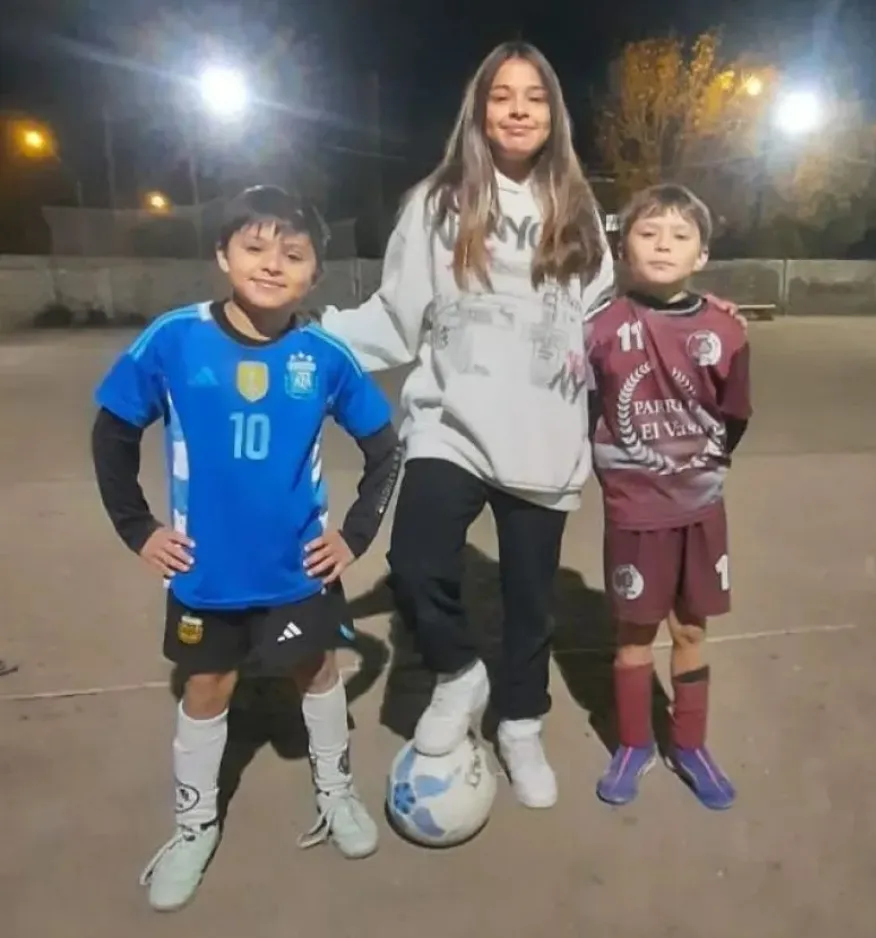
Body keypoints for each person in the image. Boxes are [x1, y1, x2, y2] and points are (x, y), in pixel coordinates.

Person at [320, 41, 615, 809]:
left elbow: (604, 320)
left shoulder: (577, 207)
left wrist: (678, 321)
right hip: (450, 420)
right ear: (478, 111)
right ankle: (458, 672)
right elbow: (396, 313)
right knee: (416, 561)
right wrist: (310, 338)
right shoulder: (438, 202)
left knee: (530, 600)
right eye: (502, 96)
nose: (518, 110)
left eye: (534, 97)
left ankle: (521, 725)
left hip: (544, 430)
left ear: (554, 114)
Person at [91, 186, 401, 912]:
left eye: (292, 254)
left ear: (314, 274)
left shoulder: (324, 355)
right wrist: (138, 527)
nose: (271, 264)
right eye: (254, 247)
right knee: (208, 687)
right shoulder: (175, 339)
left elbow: (386, 451)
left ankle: (336, 790)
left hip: (297, 570)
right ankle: (194, 824)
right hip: (207, 574)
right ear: (222, 256)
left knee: (316, 671)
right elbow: (112, 432)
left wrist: (354, 535)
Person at [585, 183, 751, 810]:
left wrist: (698, 467)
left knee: (690, 631)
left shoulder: (725, 330)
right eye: (648, 232)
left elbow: (735, 414)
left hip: (700, 510)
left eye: (680, 236)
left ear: (701, 255)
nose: (663, 245)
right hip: (635, 511)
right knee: (634, 635)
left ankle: (690, 743)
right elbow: (584, 408)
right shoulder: (599, 328)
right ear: (623, 246)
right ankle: (634, 744)